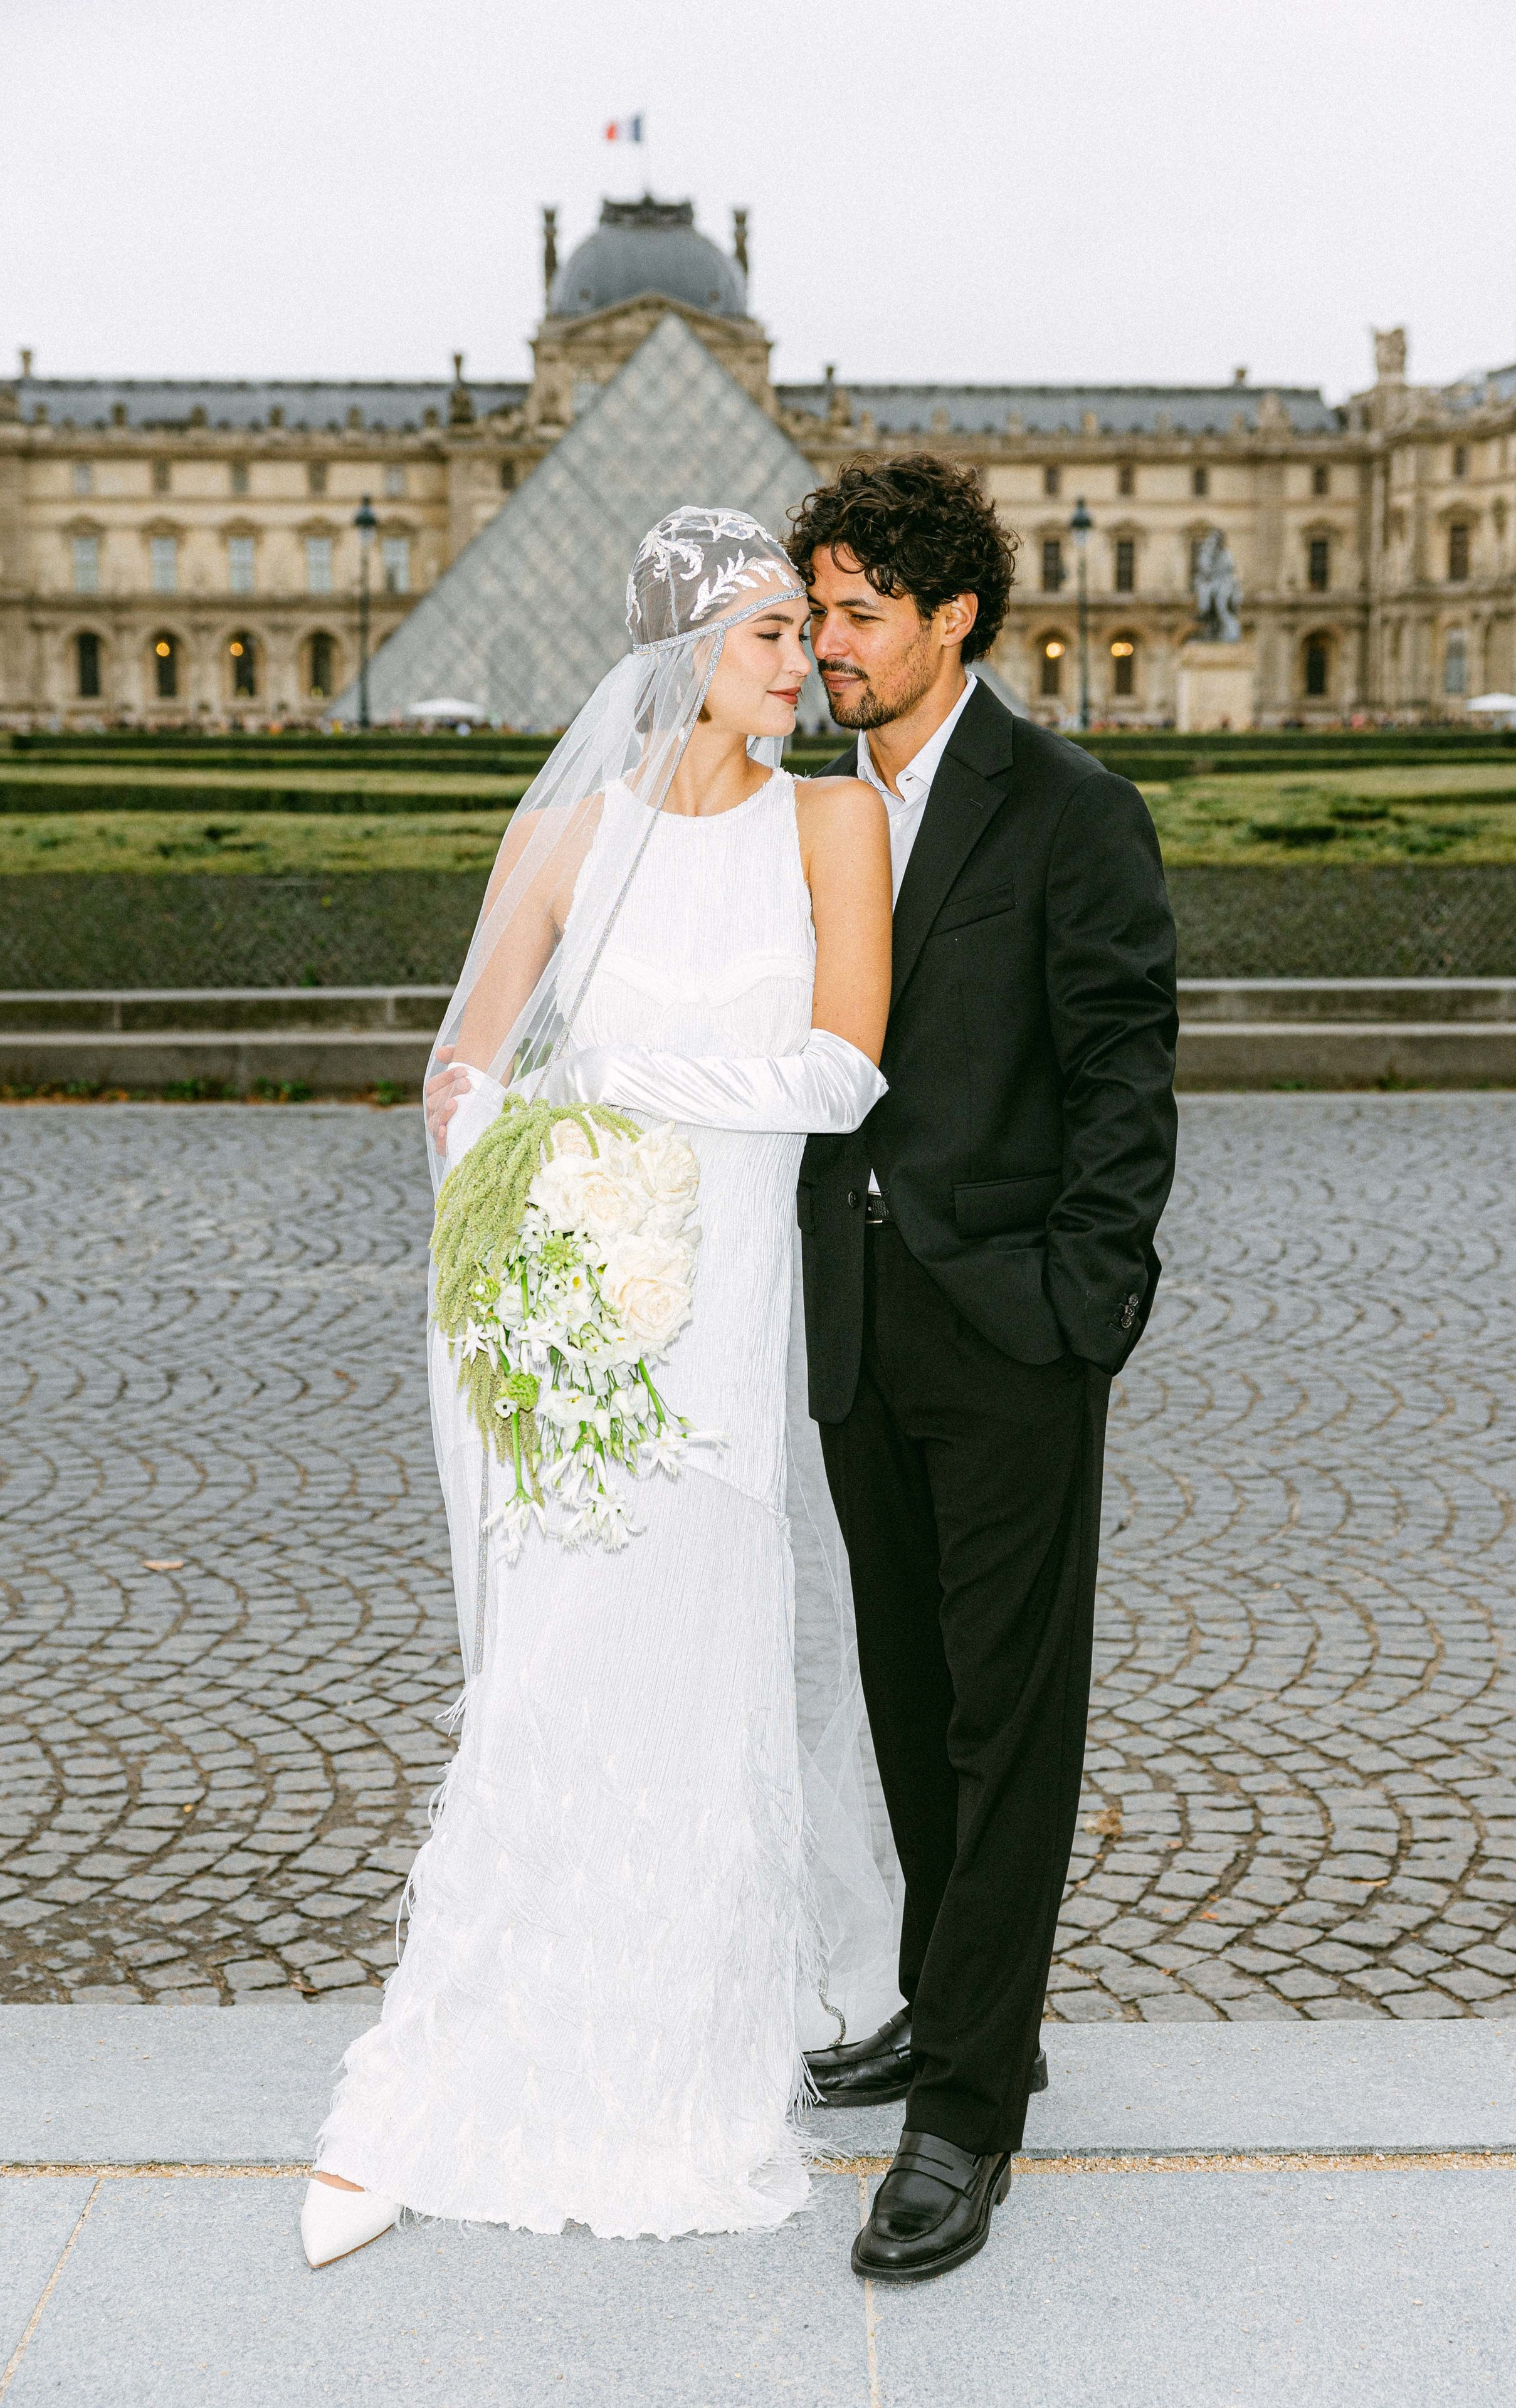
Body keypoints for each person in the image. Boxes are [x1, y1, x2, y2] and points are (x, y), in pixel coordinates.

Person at [300, 510, 899, 2265]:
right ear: (683, 652)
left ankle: (677, 2062)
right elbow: (464, 1075)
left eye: (805, 629)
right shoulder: (568, 831)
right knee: (552, 1687)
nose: (807, 659)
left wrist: (623, 1088)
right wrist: (534, 1208)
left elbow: (843, 1072)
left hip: (724, 1322)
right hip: (582, 1319)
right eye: (771, 632)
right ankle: (465, 2054)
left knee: (700, 1684)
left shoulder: (833, 819)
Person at [789, 457, 1178, 2281]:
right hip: (857, 1324)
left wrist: (1082, 1307)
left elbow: (1125, 1077)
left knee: (1008, 1725)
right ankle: (960, 2010)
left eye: (860, 613)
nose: (827, 643)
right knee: (906, 1688)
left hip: (1013, 1331)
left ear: (955, 619)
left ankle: (964, 2119)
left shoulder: (1072, 809)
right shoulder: (805, 808)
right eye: (818, 610)